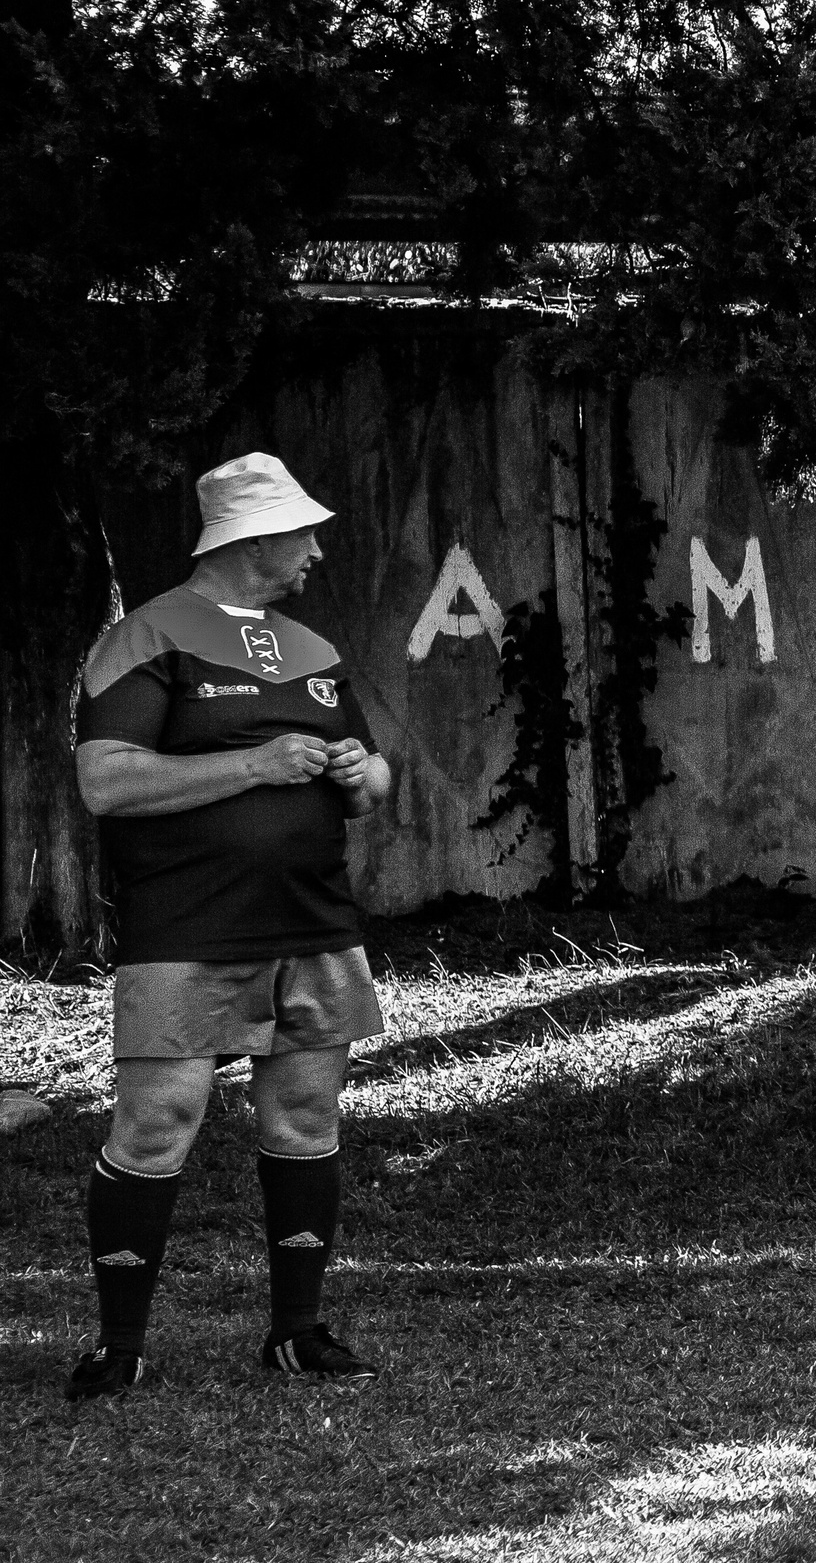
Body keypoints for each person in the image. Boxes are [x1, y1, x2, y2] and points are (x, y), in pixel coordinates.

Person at [65, 453, 394, 1402]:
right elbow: (107, 781)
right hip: (187, 929)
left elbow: (375, 787)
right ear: (253, 539)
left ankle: (297, 1334)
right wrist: (254, 767)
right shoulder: (147, 635)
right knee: (156, 1124)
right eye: (304, 532)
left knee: (304, 1119)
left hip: (315, 924)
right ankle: (118, 1345)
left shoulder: (315, 651)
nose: (318, 550)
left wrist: (347, 771)